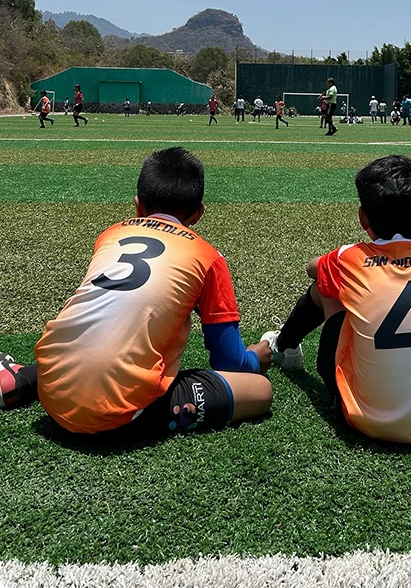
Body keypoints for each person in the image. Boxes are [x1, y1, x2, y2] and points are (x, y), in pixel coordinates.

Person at [0, 148, 272, 437]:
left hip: (51, 388)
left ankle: (19, 378)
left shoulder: (111, 234)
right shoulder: (208, 258)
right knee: (260, 391)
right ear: (199, 214)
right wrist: (255, 357)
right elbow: (228, 362)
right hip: (120, 415)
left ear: (138, 205)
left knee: (97, 341)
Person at [261, 155, 411, 446]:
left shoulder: (348, 258)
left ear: (363, 217)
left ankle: (284, 347)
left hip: (368, 421)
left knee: (326, 289)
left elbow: (312, 268)